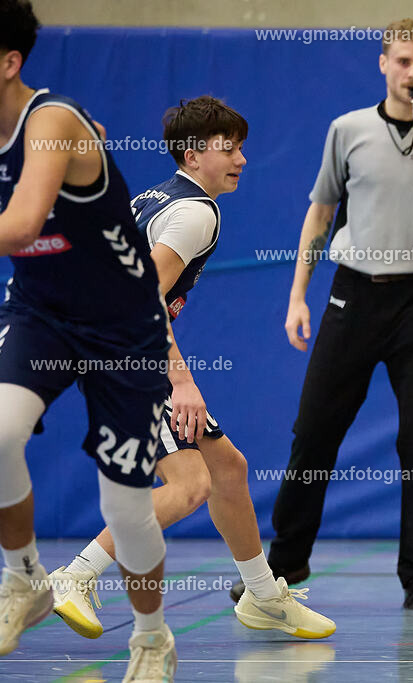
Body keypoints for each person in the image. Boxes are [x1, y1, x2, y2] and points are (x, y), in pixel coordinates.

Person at [48, 96, 336, 642]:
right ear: (193, 152)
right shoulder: (195, 212)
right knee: (188, 486)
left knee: (228, 468)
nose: (242, 160)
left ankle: (264, 596)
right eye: (229, 149)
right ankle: (74, 577)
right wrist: (181, 381)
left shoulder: (160, 197)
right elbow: (141, 300)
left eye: (241, 148)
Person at [255, 17, 413, 610]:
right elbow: (320, 215)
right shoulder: (346, 131)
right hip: (352, 295)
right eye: (403, 61)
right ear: (383, 63)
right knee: (315, 433)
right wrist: (298, 296)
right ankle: (283, 567)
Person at [0, 1, 174, 678]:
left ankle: (153, 636)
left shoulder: (52, 121)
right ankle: (25, 577)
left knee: (125, 507)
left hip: (124, 329)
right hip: (41, 312)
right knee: (0, 428)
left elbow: (19, 226)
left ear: (10, 63)